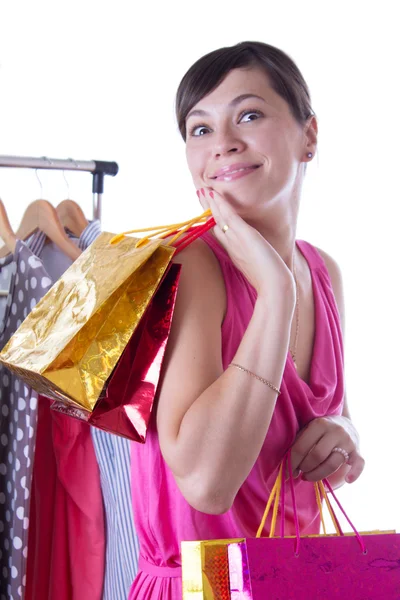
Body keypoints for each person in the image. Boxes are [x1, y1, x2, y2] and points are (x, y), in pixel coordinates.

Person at [129, 41, 365, 599]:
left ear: (310, 135)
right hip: (198, 590)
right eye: (199, 128)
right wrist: (274, 294)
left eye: (250, 115)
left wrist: (346, 437)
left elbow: (336, 443)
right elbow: (207, 485)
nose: (223, 143)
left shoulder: (322, 270)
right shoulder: (191, 270)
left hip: (301, 582)